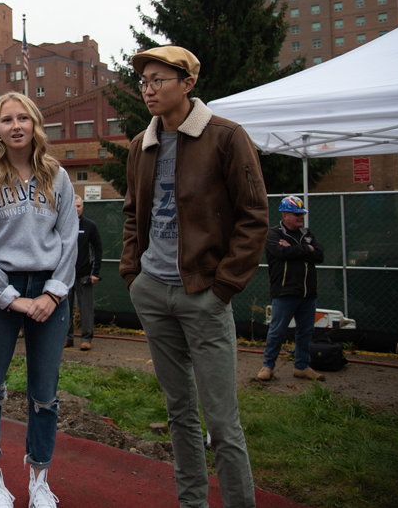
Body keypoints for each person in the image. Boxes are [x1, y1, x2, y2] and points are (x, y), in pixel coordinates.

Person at [120, 45, 268, 508]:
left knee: (222, 422)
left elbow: (254, 215)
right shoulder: (140, 146)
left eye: (158, 80)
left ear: (188, 84)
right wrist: (132, 273)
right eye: (144, 81)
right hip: (153, 292)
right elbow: (131, 214)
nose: (148, 89)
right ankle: (192, 503)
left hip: (203, 294)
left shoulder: (225, 136)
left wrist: (223, 286)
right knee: (179, 413)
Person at [0, 91, 78, 508]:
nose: (15, 126)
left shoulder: (57, 175)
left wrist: (52, 292)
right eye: (6, 120)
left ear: (35, 125)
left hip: (51, 294)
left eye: (23, 118)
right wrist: (10, 297)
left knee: (44, 394)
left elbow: (69, 241)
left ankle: (39, 480)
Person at [257, 196, 326, 382]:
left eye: (301, 214)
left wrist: (300, 248)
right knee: (277, 330)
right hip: (284, 292)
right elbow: (281, 252)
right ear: (285, 215)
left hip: (308, 293)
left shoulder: (307, 233)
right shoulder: (273, 234)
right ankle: (268, 366)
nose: (300, 217)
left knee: (305, 331)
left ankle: (301, 366)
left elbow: (319, 255)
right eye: (296, 214)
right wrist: (307, 249)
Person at [65, 194, 102, 351]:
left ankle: (86, 338)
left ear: (82, 208)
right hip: (66, 276)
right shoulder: (63, 225)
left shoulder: (90, 226)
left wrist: (95, 272)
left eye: (79, 206)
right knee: (65, 308)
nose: (76, 209)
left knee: (86, 308)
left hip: (85, 275)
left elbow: (98, 249)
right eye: (73, 206)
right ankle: (67, 338)